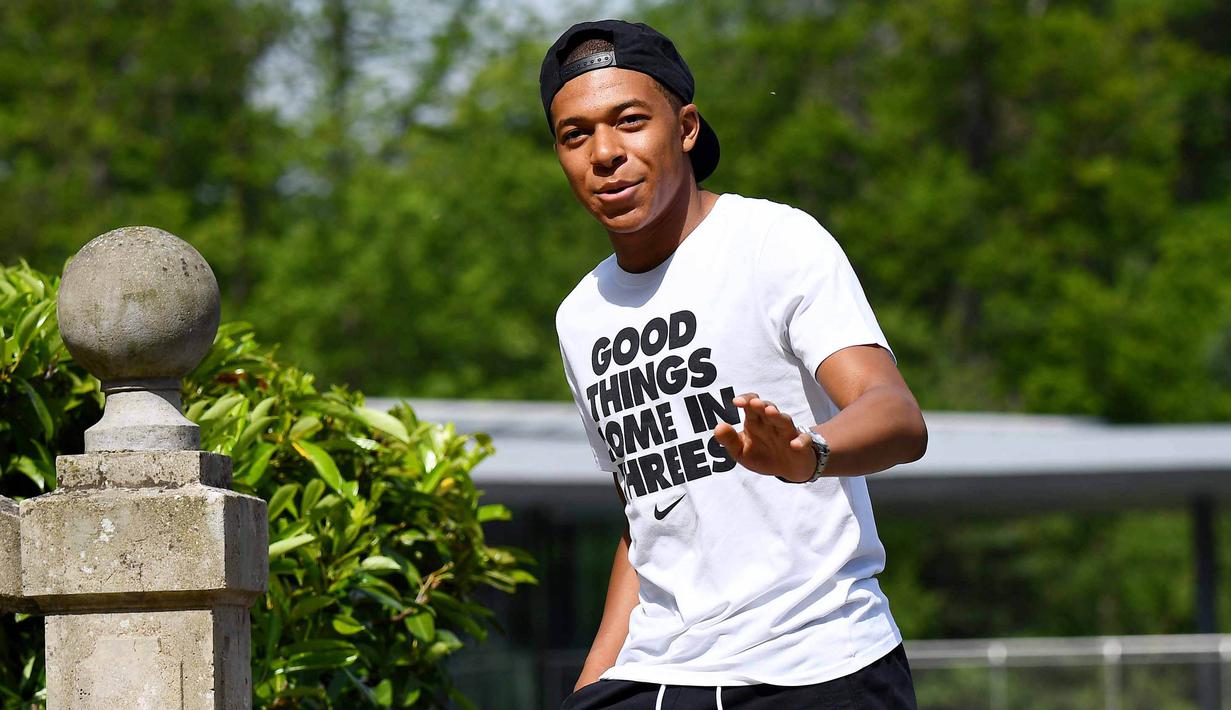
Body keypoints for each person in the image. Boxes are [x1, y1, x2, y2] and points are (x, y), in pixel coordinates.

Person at [542, 19, 927, 710]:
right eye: (576, 135)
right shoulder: (581, 315)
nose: (604, 153)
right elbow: (645, 518)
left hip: (816, 664)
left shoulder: (771, 243)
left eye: (629, 121)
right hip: (659, 672)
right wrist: (591, 684)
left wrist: (805, 453)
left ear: (685, 127)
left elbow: (895, 415)